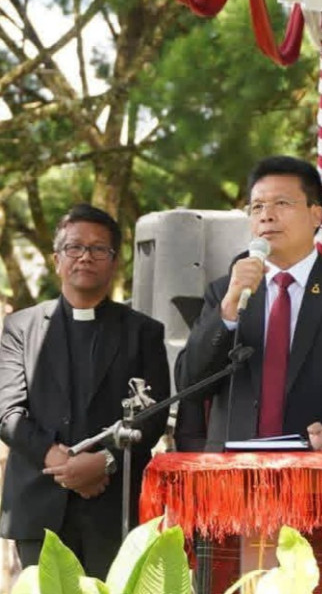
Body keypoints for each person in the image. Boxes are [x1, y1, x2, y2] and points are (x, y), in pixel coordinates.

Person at [175, 156, 322, 471]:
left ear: (316, 215)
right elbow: (190, 382)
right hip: (233, 474)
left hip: (319, 469)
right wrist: (228, 311)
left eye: (281, 203)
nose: (267, 216)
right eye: (257, 207)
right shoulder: (225, 291)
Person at [0, 204, 170, 578]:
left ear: (113, 262)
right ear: (57, 259)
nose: (85, 257)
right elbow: (7, 411)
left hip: (114, 503)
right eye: (74, 247)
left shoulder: (143, 332)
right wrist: (56, 458)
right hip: (40, 499)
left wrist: (104, 461)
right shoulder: (20, 327)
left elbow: (154, 415)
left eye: (98, 249)